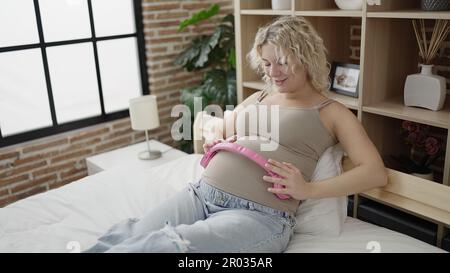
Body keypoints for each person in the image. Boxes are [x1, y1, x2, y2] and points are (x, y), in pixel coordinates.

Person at [84, 16, 387, 253]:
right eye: (267, 64)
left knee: (166, 247)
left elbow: (374, 173)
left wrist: (307, 190)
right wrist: (214, 133)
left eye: (281, 62)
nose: (273, 72)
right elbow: (219, 126)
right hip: (201, 195)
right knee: (130, 235)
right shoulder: (257, 98)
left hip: (258, 217)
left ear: (305, 57)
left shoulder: (330, 111)